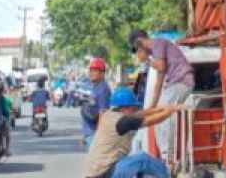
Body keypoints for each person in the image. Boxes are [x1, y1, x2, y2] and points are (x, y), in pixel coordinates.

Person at [128, 31, 193, 168]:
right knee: (160, 115)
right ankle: (167, 156)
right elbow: (159, 80)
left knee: (163, 119)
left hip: (181, 81)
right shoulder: (157, 51)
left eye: (138, 49)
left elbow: (161, 67)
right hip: (175, 83)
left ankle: (168, 158)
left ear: (139, 42)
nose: (139, 53)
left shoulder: (158, 43)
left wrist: (148, 61)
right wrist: (153, 105)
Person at [84, 87, 179, 178]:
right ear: (125, 108)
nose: (134, 110)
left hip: (99, 172)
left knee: (137, 160)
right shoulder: (121, 121)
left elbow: (139, 114)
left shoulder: (109, 115)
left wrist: (161, 109)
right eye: (133, 108)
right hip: (106, 174)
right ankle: (168, 173)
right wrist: (169, 112)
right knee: (142, 159)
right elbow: (150, 121)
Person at [81, 57, 112, 150]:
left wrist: (98, 136)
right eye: (90, 70)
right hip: (90, 133)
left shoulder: (103, 89)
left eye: (94, 70)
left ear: (102, 73)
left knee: (96, 163)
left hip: (95, 135)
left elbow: (103, 113)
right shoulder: (96, 87)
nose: (91, 73)